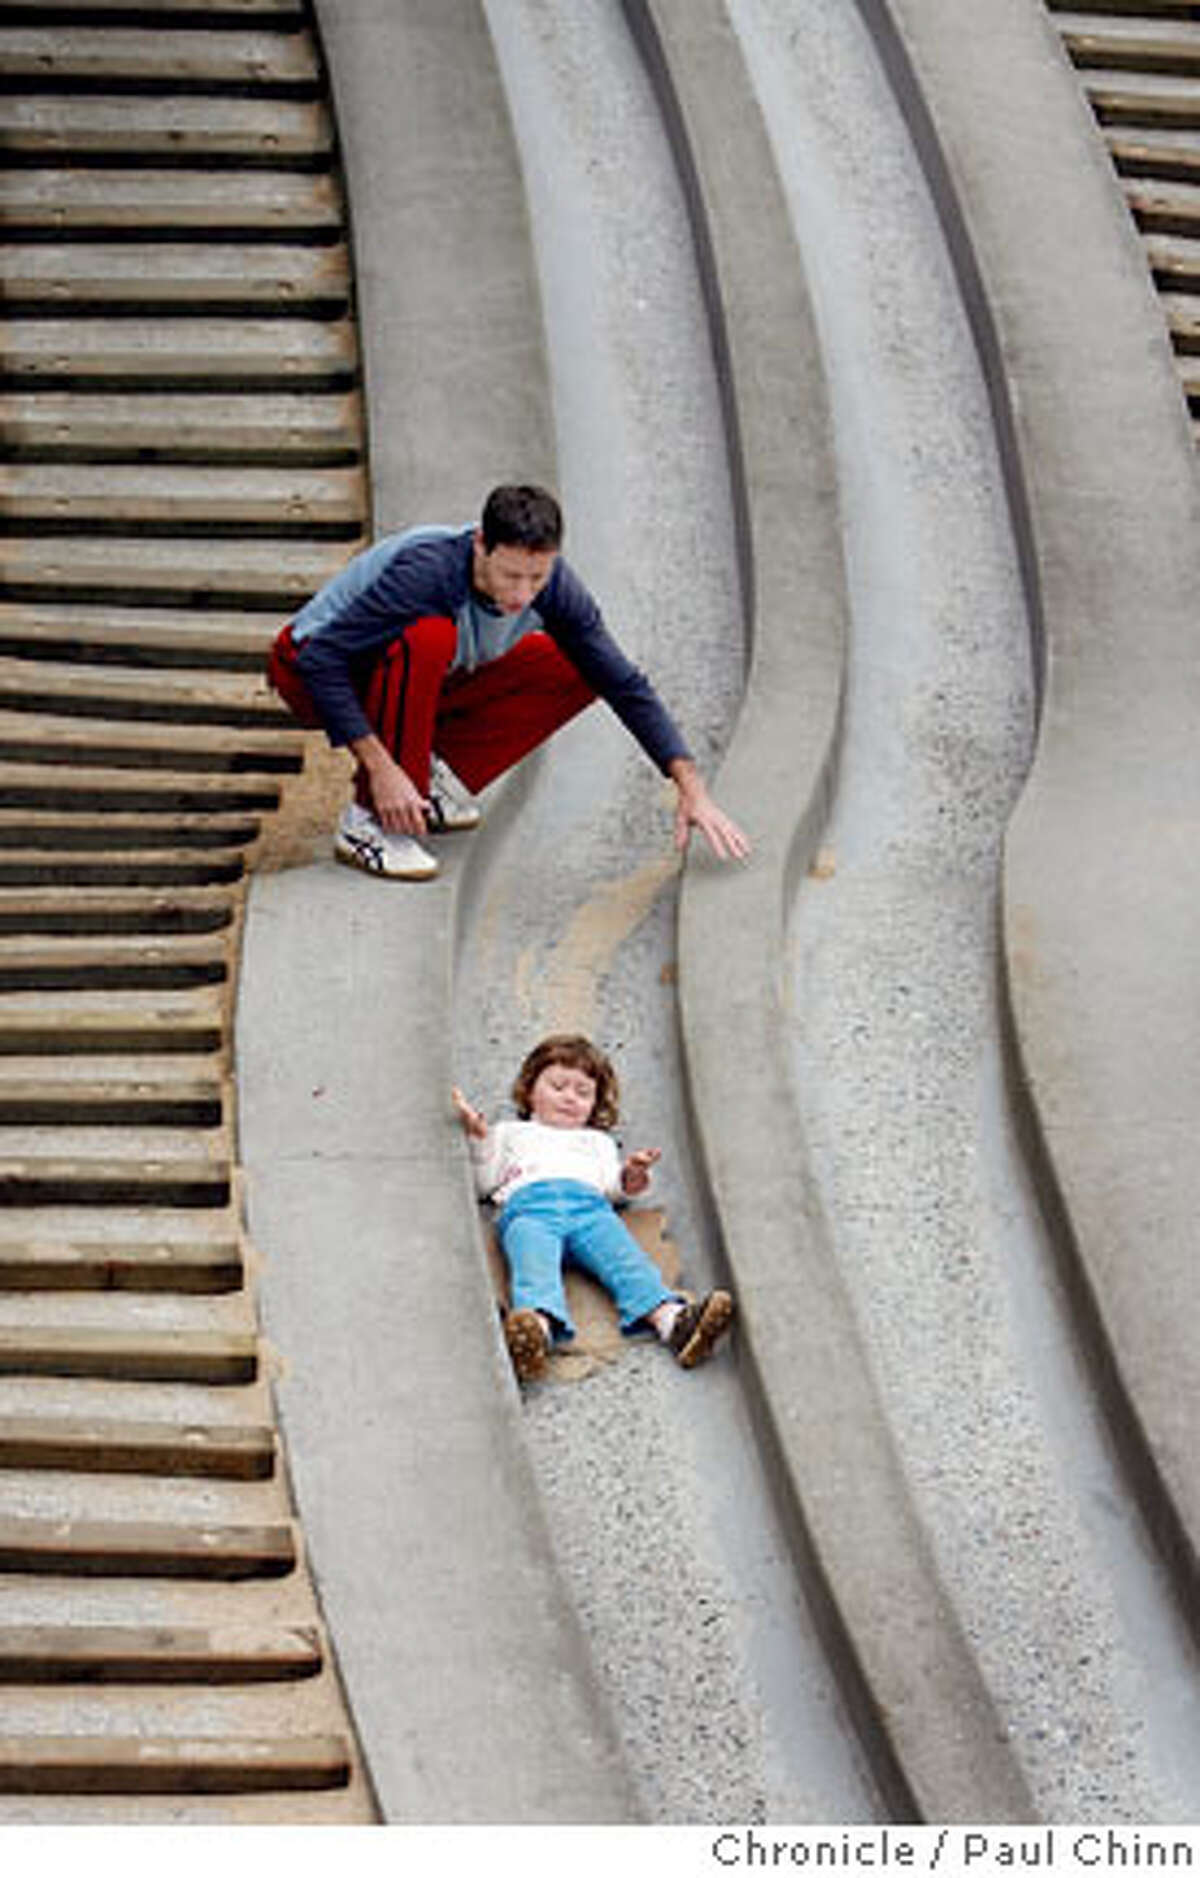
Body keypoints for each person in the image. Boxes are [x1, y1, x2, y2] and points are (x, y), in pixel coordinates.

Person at [268, 483, 750, 880]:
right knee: (429, 637)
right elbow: (321, 661)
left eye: (536, 577)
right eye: (511, 575)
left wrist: (690, 786)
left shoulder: (555, 589)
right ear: (481, 545)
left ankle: (425, 781)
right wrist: (382, 770)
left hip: (408, 674)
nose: (522, 595)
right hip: (311, 669)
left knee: (575, 665)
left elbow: (624, 683)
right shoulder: (428, 573)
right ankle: (367, 820)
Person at [452, 1033, 734, 1382]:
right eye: (558, 1086)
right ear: (529, 1090)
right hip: (529, 1210)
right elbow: (483, 1182)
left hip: (590, 1210)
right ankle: (535, 1331)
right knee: (533, 1266)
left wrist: (633, 1173)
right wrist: (479, 1139)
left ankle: (672, 1321)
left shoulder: (597, 1142)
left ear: (594, 1105)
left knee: (625, 1261)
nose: (570, 1097)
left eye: (583, 1093)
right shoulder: (510, 1133)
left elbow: (615, 1189)